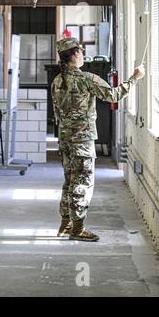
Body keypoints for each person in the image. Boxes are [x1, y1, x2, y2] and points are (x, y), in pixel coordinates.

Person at [51, 37, 145, 242]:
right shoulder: (86, 78)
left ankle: (65, 223)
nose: (83, 55)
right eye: (81, 51)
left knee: (69, 181)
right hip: (82, 141)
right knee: (82, 182)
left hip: (65, 140)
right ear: (75, 54)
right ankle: (78, 228)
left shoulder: (57, 81)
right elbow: (113, 95)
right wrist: (135, 78)